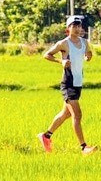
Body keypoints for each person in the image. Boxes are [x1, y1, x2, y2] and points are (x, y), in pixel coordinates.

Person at [38, 15, 96, 155]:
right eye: (73, 26)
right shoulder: (64, 43)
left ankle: (46, 136)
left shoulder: (84, 42)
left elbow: (89, 53)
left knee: (65, 114)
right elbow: (47, 55)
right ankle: (84, 147)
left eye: (79, 26)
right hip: (68, 82)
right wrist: (61, 62)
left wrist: (88, 57)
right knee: (77, 114)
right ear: (68, 29)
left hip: (78, 82)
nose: (77, 28)